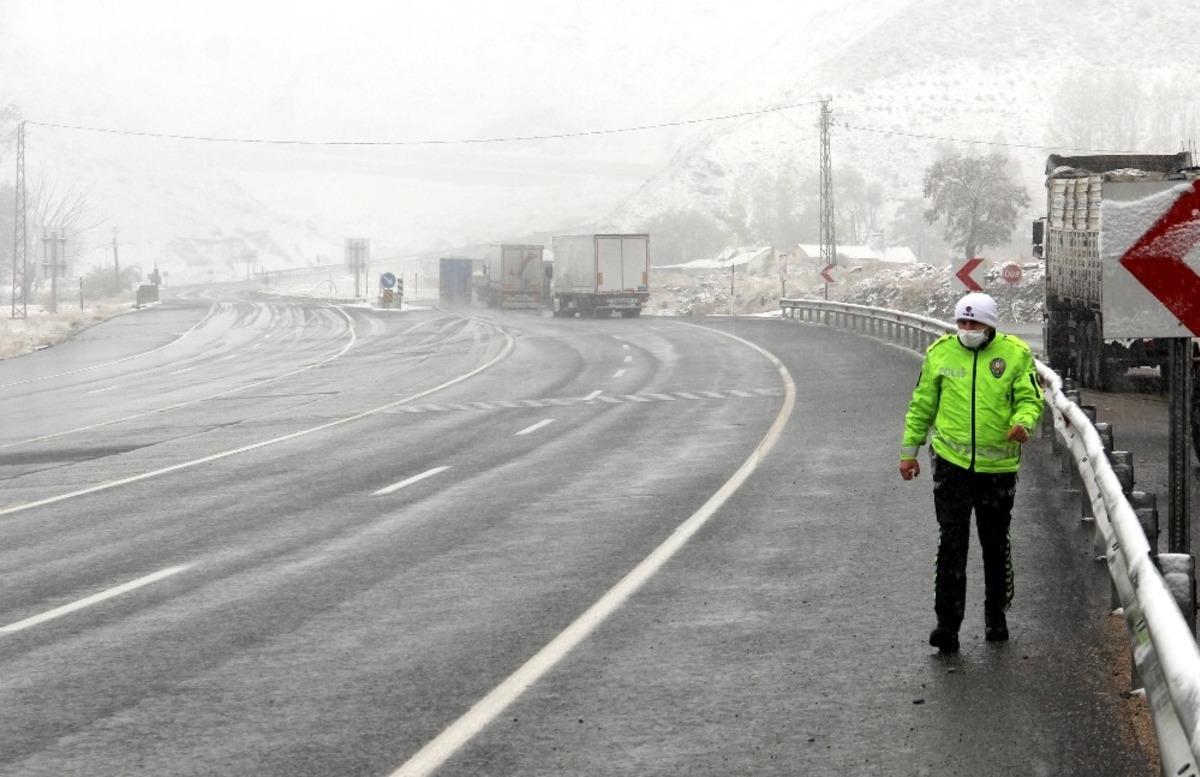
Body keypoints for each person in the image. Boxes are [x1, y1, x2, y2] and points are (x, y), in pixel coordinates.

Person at [898, 292, 1044, 653]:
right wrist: (909, 451)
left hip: (998, 469)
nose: (967, 330)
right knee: (951, 543)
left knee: (994, 545)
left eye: (974, 323)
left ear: (990, 325)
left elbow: (1029, 398)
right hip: (951, 466)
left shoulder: (1014, 354)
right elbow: (922, 405)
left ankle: (996, 616)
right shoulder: (941, 353)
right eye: (962, 323)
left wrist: (1023, 423)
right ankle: (947, 625)